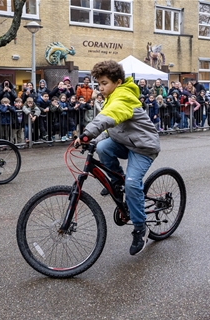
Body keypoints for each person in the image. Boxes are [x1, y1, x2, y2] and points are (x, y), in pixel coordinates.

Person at [74, 60, 160, 256]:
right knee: (103, 147)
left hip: (143, 147)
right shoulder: (111, 96)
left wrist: (88, 133)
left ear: (118, 82)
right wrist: (94, 139)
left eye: (104, 83)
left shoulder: (123, 97)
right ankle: (116, 182)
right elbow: (115, 127)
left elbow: (110, 116)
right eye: (99, 84)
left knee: (132, 183)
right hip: (126, 142)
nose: (100, 88)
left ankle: (140, 228)